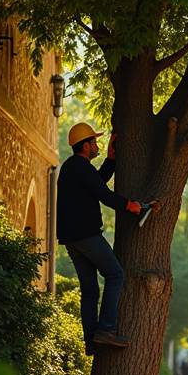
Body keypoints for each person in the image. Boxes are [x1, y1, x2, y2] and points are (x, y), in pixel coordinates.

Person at [57, 123, 145, 355]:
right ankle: (105, 329)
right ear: (85, 146)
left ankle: (91, 341)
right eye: (94, 142)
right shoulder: (80, 166)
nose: (96, 146)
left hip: (72, 239)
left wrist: (111, 160)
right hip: (86, 236)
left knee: (90, 290)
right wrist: (130, 205)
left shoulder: (73, 167)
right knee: (116, 274)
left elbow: (96, 184)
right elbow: (103, 195)